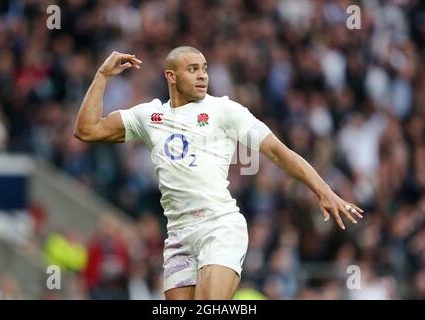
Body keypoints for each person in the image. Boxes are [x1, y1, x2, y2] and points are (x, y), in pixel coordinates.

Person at [74, 46, 363, 300]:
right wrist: (101, 76)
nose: (202, 75)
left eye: (204, 69)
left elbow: (278, 151)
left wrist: (323, 191)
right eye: (193, 69)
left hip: (219, 225)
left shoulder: (224, 110)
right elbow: (87, 130)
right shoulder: (149, 116)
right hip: (177, 235)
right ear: (171, 76)